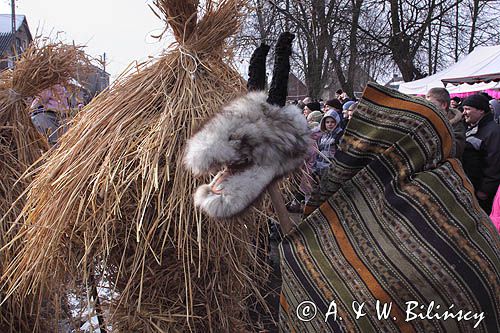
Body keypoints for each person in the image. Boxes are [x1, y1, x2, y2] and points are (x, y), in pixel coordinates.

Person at [461, 93, 500, 214]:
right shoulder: (471, 127)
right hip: (473, 187)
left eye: (467, 109)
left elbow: (495, 163)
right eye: (463, 109)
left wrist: (485, 190)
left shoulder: (493, 132)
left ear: (481, 110)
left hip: (483, 193)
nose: (464, 112)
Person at [426, 88, 466, 159]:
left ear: (443, 105)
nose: (427, 107)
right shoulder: (427, 120)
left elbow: (456, 150)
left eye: (431, 104)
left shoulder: (457, 125)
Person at [312, 110, 342, 178]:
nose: (329, 124)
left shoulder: (340, 135)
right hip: (320, 167)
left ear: (337, 122)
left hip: (331, 167)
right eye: (327, 122)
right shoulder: (323, 135)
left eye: (332, 122)